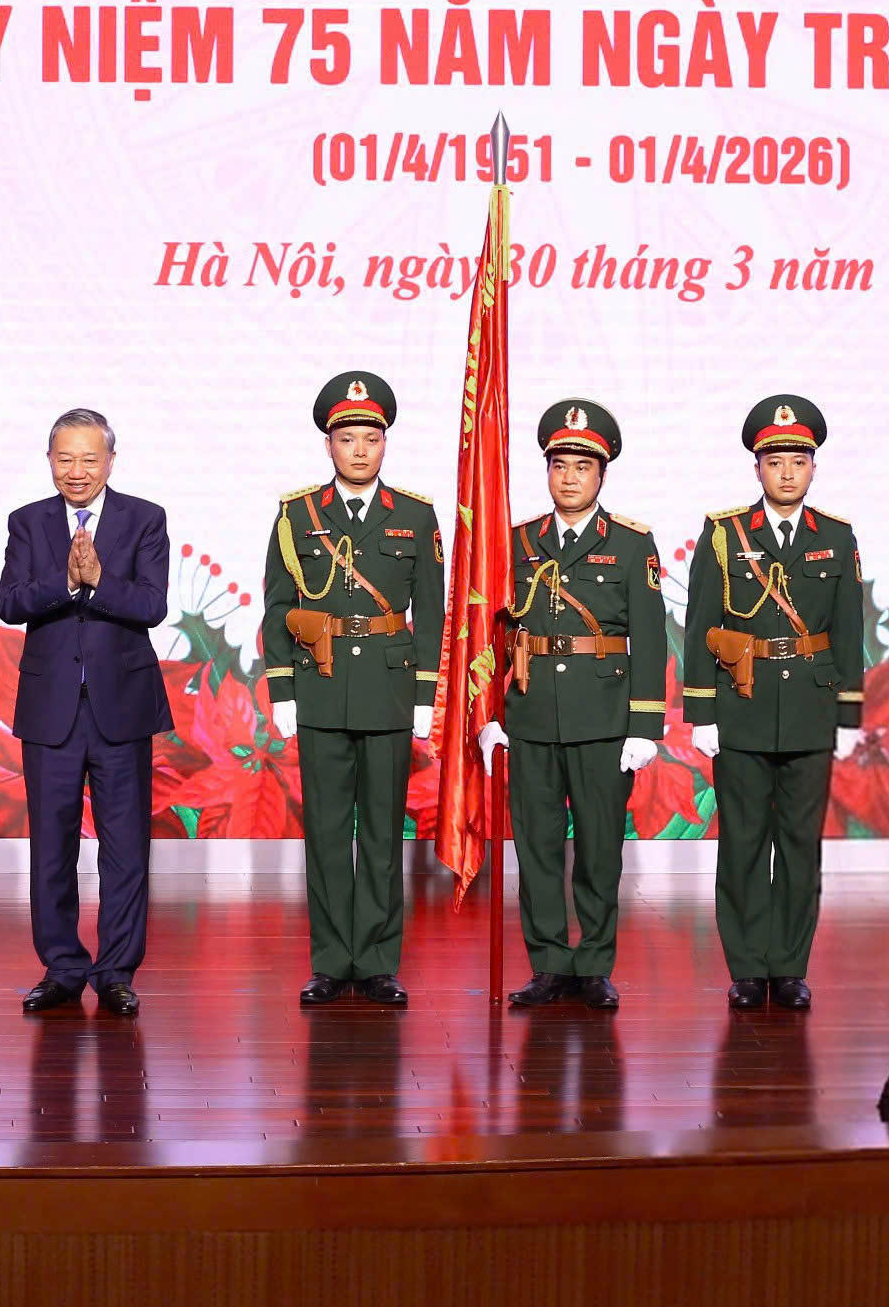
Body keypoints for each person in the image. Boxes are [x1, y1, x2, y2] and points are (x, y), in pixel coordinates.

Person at [477, 401, 667, 1012]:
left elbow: (650, 637)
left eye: (583, 467)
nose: (569, 477)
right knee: (535, 848)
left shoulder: (632, 544)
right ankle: (549, 964)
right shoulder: (517, 542)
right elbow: (493, 632)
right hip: (531, 714)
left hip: (603, 719)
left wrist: (644, 726)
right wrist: (491, 714)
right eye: (559, 465)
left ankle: (595, 965)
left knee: (599, 849)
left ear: (602, 474)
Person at [262, 372, 444, 1008]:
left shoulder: (415, 515)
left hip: (389, 688)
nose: (360, 450)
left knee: (383, 834)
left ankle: (377, 961)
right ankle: (331, 960)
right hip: (319, 684)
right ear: (328, 445)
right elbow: (278, 605)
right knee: (327, 832)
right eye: (347, 439)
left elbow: (432, 611)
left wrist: (424, 695)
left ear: (385, 443)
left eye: (371, 438)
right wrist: (283, 690)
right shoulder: (297, 515)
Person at [683, 395, 866, 1012]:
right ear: (756, 467)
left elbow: (848, 630)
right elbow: (701, 625)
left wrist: (848, 714)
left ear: (814, 467)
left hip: (812, 709)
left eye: (798, 461)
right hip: (742, 705)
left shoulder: (836, 537)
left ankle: (788, 967)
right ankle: (745, 967)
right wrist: (702, 712)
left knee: (799, 845)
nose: (787, 473)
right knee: (741, 842)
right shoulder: (724, 535)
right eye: (775, 461)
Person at [0, 408, 172, 1017]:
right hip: (51, 710)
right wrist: (67, 585)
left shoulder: (145, 518)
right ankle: (63, 967)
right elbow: (10, 603)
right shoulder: (28, 522)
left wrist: (99, 581)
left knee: (126, 848)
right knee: (52, 846)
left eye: (89, 459)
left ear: (110, 462)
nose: (77, 471)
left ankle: (117, 972)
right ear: (49, 460)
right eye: (65, 459)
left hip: (122, 707)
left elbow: (152, 605)